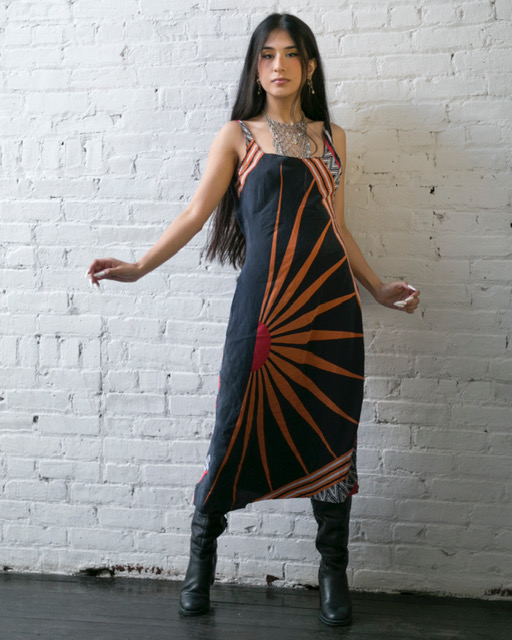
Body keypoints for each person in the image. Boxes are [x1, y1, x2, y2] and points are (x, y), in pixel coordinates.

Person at [87, 13, 420, 627]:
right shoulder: (238, 135)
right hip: (263, 312)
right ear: (255, 68)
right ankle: (201, 563)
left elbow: (336, 225)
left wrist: (376, 286)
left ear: (309, 66)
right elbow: (195, 213)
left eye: (291, 54)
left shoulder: (332, 139)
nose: (278, 65)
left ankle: (332, 572)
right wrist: (138, 267)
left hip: (328, 308)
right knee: (234, 423)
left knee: (331, 430)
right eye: (267, 55)